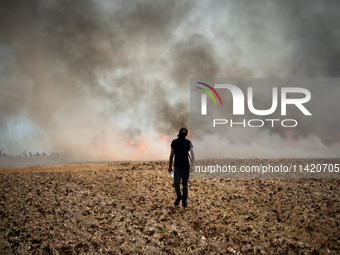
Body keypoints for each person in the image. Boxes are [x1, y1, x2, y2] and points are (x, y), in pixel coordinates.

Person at [168, 127, 195, 209]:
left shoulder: (188, 142)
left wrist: (192, 165)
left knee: (185, 186)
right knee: (176, 183)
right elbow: (171, 155)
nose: (183, 133)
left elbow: (193, 156)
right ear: (179, 133)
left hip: (186, 167)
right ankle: (179, 196)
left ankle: (184, 203)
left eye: (185, 132)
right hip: (177, 167)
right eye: (182, 132)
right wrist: (170, 166)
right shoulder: (174, 142)